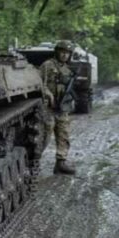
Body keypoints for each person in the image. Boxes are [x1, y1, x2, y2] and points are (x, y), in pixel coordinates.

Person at [40, 40, 77, 175]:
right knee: (45, 136)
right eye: (62, 52)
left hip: (62, 108)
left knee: (63, 135)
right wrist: (49, 95)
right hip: (49, 108)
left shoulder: (67, 69)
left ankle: (60, 163)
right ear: (57, 52)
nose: (64, 55)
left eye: (67, 53)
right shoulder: (47, 65)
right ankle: (33, 162)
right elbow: (40, 84)